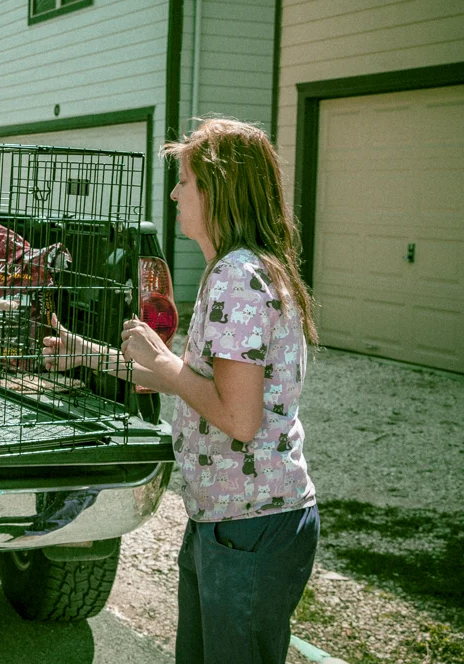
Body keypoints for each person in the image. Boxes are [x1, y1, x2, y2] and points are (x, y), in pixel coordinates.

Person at [43, 118, 319, 664]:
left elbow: (238, 419)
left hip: (249, 526)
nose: (173, 193)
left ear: (219, 189)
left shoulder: (237, 276)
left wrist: (165, 362)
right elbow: (194, 385)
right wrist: (84, 354)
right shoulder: (241, 268)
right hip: (229, 520)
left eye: (185, 181)